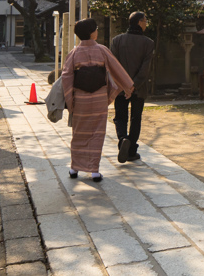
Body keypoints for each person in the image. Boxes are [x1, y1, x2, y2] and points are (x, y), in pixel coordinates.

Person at [61, 18, 133, 182]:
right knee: (96, 134)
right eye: (96, 28)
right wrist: (128, 86)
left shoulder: (73, 53)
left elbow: (67, 77)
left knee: (78, 133)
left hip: (80, 99)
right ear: (91, 33)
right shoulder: (102, 50)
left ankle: (74, 168)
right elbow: (116, 68)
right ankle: (94, 171)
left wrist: (70, 100)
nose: (97, 31)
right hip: (99, 98)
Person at [110, 11, 156, 163]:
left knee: (120, 117)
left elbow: (113, 65)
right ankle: (131, 151)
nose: (146, 24)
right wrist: (133, 85)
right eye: (145, 21)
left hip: (120, 87)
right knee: (136, 118)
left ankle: (123, 139)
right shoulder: (148, 43)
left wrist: (124, 84)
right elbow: (145, 68)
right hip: (139, 88)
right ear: (139, 22)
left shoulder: (116, 40)